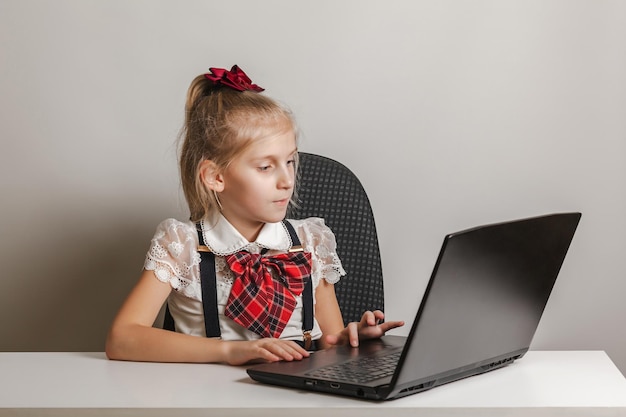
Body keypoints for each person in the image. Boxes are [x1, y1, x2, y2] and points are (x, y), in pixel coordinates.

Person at [105, 65, 403, 365]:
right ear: (215, 177)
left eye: (290, 161)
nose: (287, 180)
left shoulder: (311, 240)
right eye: (266, 167)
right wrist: (230, 351)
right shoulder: (182, 246)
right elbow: (122, 339)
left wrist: (350, 339)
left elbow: (330, 339)